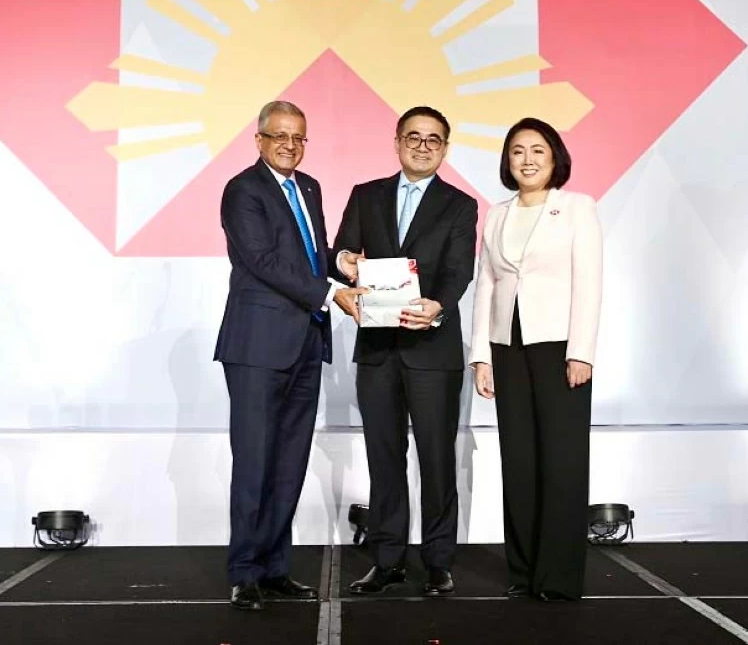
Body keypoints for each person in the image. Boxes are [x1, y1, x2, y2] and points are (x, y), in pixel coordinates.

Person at [215, 100, 365, 611]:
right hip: (257, 346)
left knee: (289, 462)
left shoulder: (310, 188)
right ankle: (245, 572)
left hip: (305, 342)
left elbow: (310, 255)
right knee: (255, 460)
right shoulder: (243, 190)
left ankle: (275, 568)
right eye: (279, 135)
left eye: (298, 137)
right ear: (258, 139)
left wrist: (341, 263)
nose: (289, 145)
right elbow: (263, 260)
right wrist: (331, 293)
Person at [333, 106, 478, 596]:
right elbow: (341, 251)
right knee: (384, 457)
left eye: (433, 139)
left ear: (445, 148)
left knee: (437, 458)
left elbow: (458, 271)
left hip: (432, 348)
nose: (422, 146)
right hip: (377, 348)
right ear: (397, 142)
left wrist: (439, 306)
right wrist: (344, 260)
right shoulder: (366, 195)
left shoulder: (460, 205)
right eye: (413, 137)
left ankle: (438, 561)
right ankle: (388, 559)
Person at [469, 117, 602, 601]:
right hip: (507, 347)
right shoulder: (497, 215)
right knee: (520, 460)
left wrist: (581, 352)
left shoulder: (577, 208)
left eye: (537, 150)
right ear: (507, 161)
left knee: (562, 462)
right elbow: (487, 286)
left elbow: (589, 282)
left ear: (554, 158)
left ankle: (558, 577)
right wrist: (481, 356)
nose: (526, 160)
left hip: (558, 347)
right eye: (517, 151)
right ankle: (523, 571)